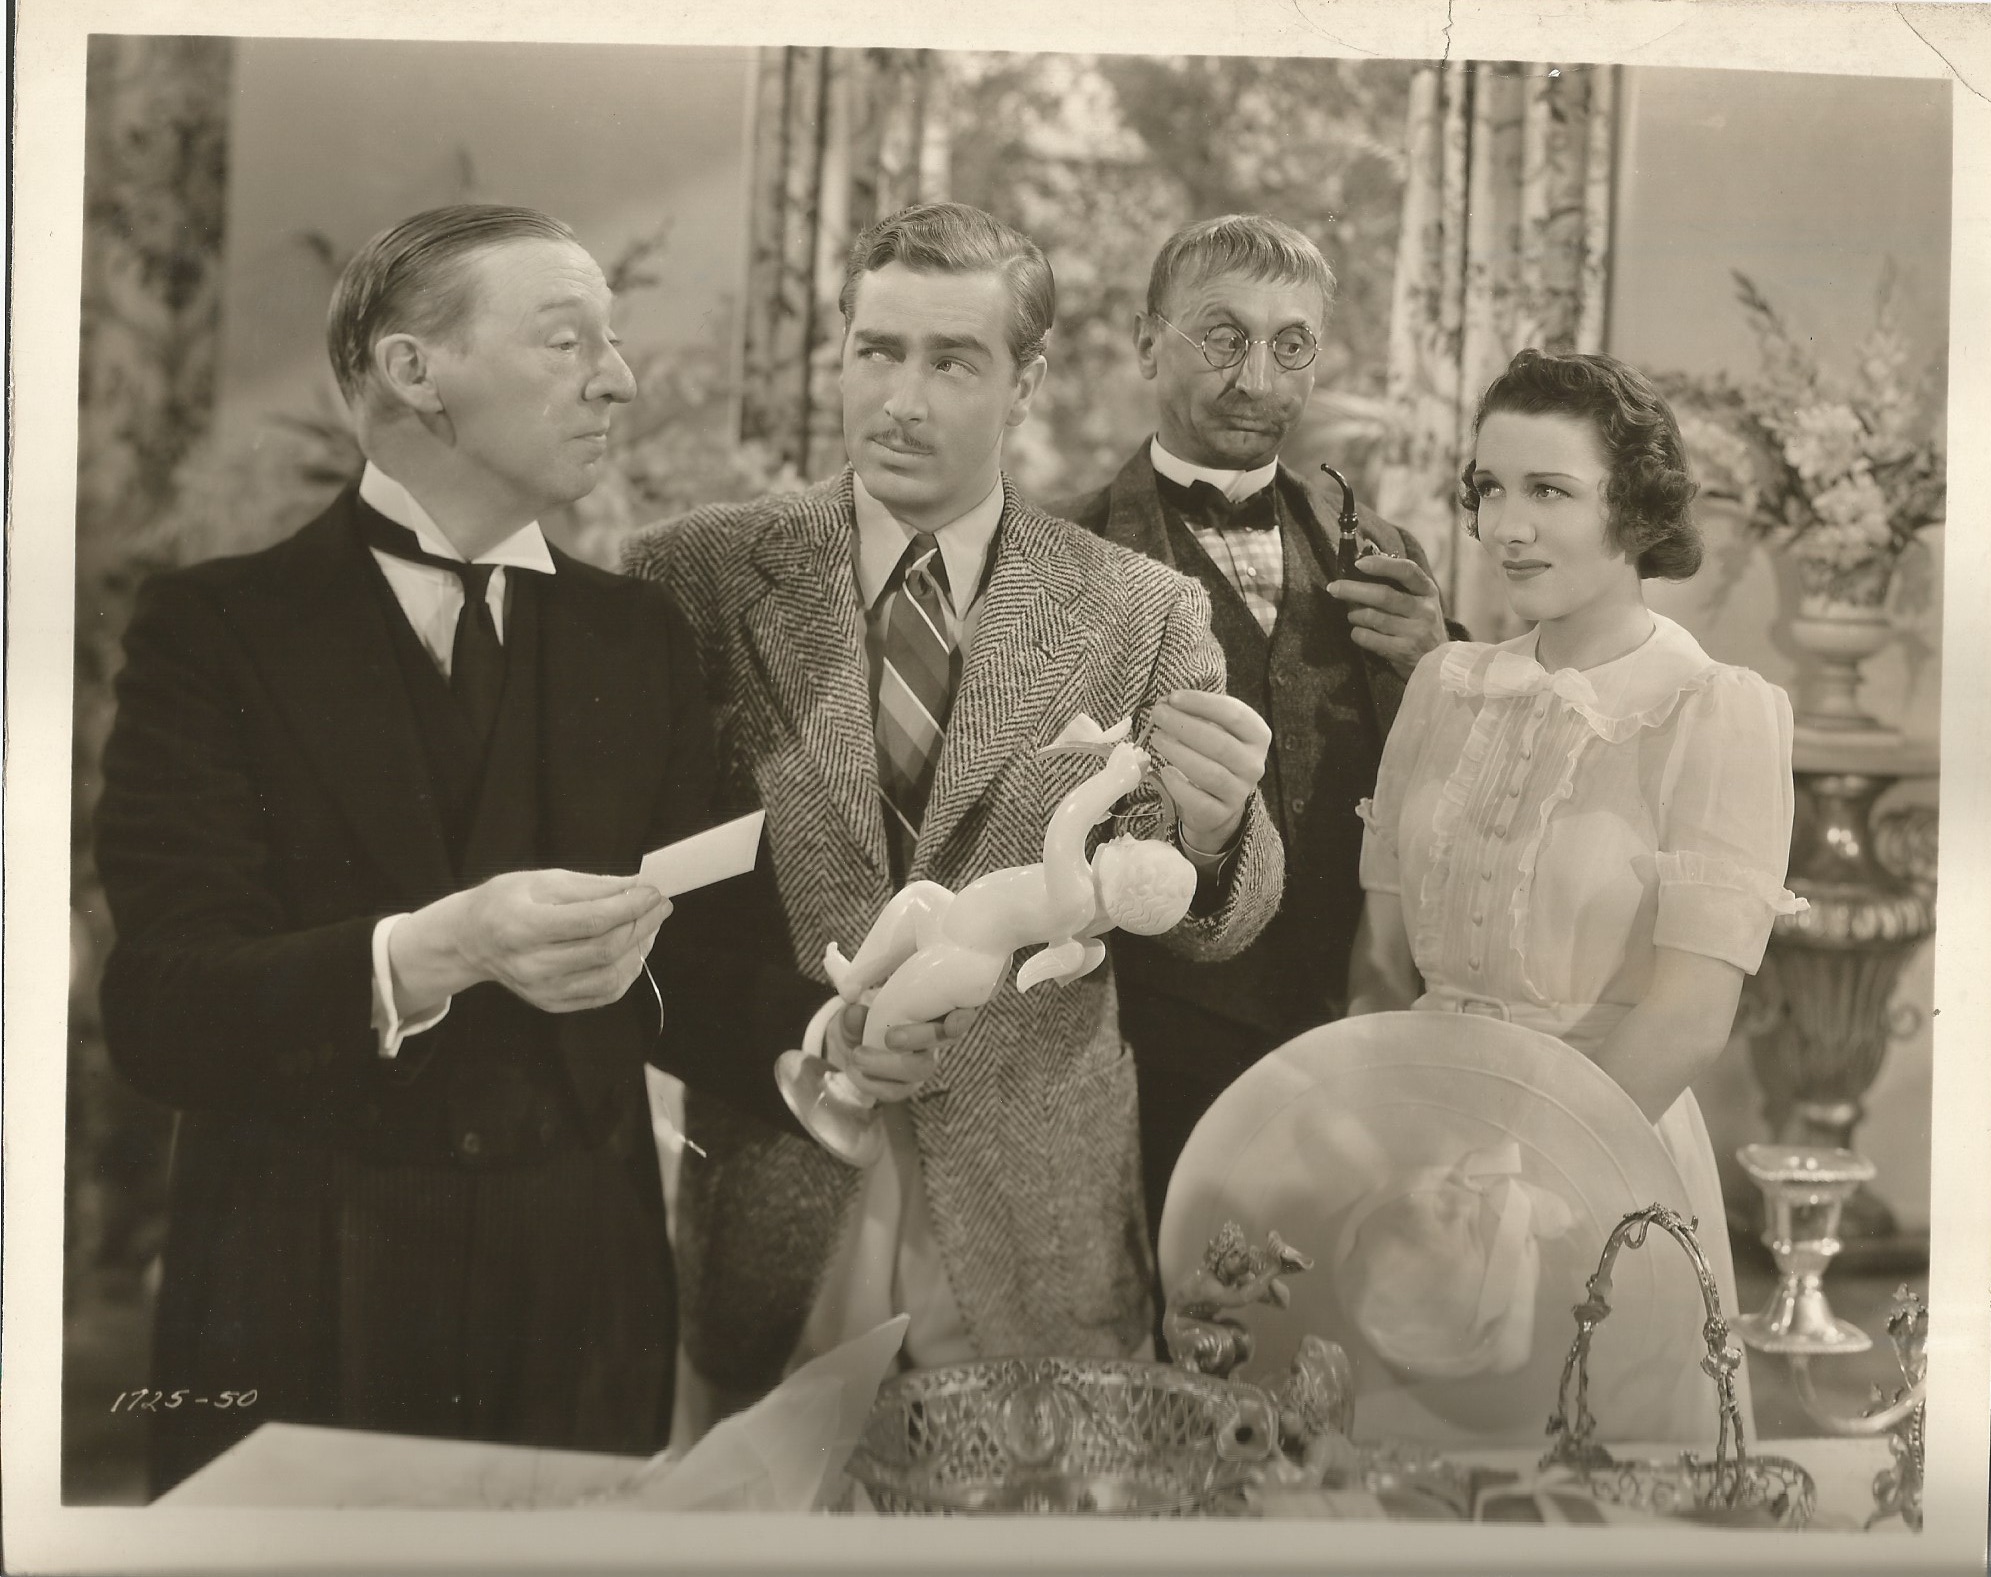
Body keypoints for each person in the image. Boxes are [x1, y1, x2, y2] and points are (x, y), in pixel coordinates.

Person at [95, 205, 778, 1494]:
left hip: (585, 1301)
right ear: (416, 372)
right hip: (300, 1291)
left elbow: (700, 969)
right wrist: (435, 948)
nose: (617, 377)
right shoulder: (213, 630)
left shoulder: (641, 639)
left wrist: (818, 1041)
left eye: (614, 343)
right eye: (568, 339)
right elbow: (159, 1006)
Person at [622, 202, 1285, 1429]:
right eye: (875, 351)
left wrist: (1208, 831)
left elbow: (1218, 920)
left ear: (1025, 379)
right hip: (779, 1183)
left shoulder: (1136, 608)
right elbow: (641, 902)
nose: (902, 399)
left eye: (951, 360)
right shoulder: (691, 579)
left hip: (1034, 1220)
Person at [1347, 347, 1802, 1345]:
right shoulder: (1444, 685)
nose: (1505, 526)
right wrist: (1397, 1151)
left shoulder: (1711, 711)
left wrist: (1519, 1175)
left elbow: (1686, 1015)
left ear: (1632, 508)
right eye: (1489, 488)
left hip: (1594, 1166)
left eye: (1547, 490)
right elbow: (1380, 964)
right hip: (1416, 1162)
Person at [1049, 215, 1454, 1258]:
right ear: (1148, 346)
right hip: (1155, 1032)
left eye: (1290, 344)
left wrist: (1434, 666)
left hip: (1351, 1024)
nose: (1255, 375)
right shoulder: (1064, 555)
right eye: (1219, 337)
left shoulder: (1378, 546)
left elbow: (1451, 780)